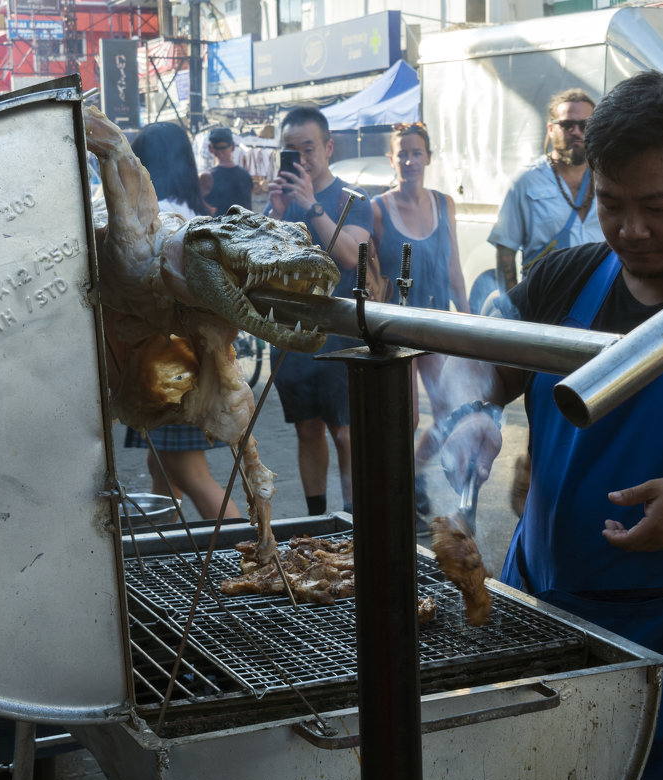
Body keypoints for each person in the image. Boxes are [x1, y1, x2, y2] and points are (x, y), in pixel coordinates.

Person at [437, 67, 663, 780]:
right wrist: (470, 415)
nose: (630, 230)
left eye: (657, 206)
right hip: (537, 614)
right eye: (610, 204)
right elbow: (474, 369)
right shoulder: (567, 278)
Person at [121, 122, 243, 521]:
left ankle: (256, 555)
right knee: (164, 471)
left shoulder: (162, 221)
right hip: (178, 364)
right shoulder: (188, 214)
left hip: (171, 367)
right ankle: (167, 552)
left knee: (190, 474)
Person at [264, 106, 373, 515]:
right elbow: (256, 260)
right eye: (290, 151)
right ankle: (316, 517)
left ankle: (351, 516)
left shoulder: (351, 198)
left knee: (345, 433)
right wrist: (275, 210)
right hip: (292, 333)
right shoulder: (281, 199)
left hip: (343, 334)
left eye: (307, 149)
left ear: (327, 148)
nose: (301, 159)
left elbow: (351, 257)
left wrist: (312, 206)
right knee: (307, 430)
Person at [370, 122, 469, 528]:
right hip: (398, 324)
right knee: (405, 416)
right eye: (402, 153)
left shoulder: (445, 203)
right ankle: (394, 492)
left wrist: (468, 321)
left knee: (451, 410)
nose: (409, 160)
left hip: (438, 320)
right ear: (391, 160)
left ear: (428, 156)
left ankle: (411, 472)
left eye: (416, 152)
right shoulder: (377, 208)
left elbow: (454, 266)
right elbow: (371, 273)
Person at [488, 88, 603, 294]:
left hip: (598, 301)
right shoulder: (526, 182)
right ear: (551, 129)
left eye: (584, 125)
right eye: (567, 125)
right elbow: (505, 252)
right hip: (545, 303)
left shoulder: (608, 179)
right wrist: (514, 309)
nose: (577, 131)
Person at [204, 126, 253, 214]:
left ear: (210, 148)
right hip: (244, 226)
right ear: (233, 146)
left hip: (217, 227)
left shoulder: (206, 177)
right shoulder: (245, 175)